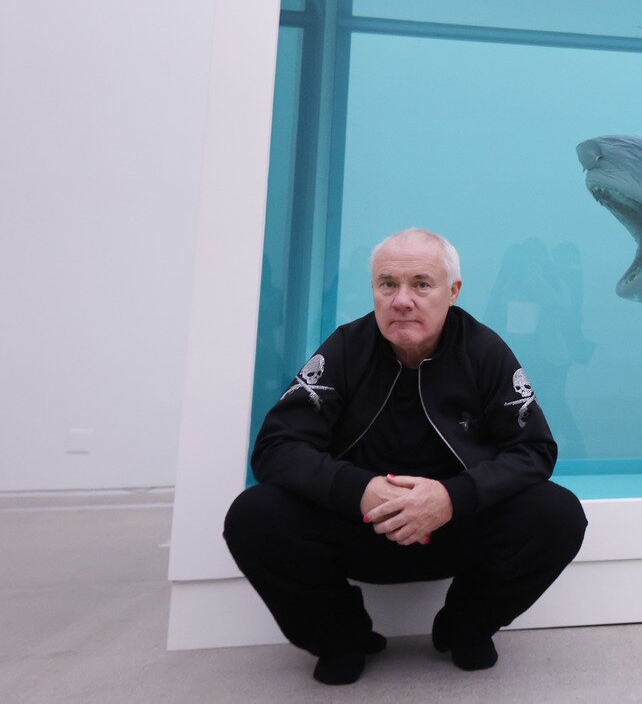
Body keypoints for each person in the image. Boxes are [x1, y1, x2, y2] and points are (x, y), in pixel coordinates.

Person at [224, 228, 587, 685]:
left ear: (452, 292)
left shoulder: (485, 350)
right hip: (359, 525)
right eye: (387, 284)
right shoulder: (345, 348)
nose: (401, 300)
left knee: (558, 514)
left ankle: (464, 627)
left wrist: (453, 499)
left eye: (421, 284)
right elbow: (276, 447)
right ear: (373, 290)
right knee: (253, 516)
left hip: (455, 528)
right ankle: (341, 636)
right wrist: (359, 490)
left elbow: (534, 449)